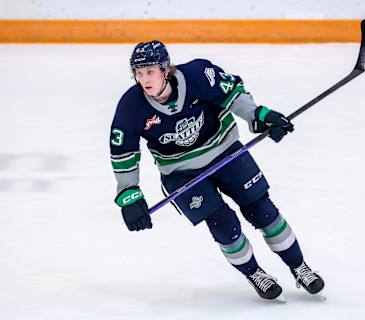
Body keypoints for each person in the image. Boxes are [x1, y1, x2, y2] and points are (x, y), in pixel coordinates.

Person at [109, 40, 324, 300]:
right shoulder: (131, 106)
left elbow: (232, 94)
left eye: (150, 71)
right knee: (224, 226)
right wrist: (129, 193)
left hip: (225, 151)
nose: (144, 79)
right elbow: (124, 152)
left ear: (166, 69)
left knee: (264, 212)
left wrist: (259, 115)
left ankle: (299, 267)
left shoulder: (198, 75)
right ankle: (255, 273)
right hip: (181, 173)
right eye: (139, 73)